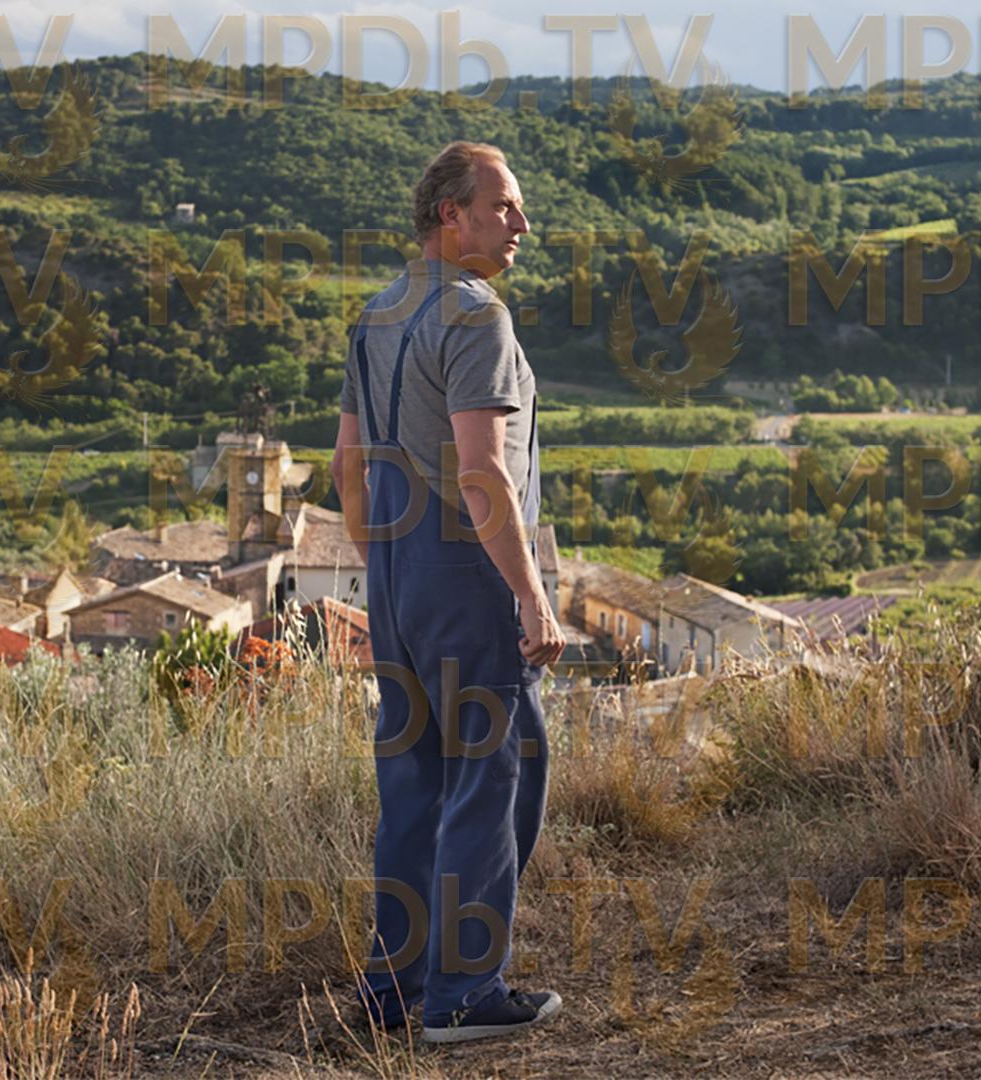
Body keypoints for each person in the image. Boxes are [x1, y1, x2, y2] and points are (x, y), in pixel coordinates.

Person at [329, 141, 566, 1045]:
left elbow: (347, 467)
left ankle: (394, 989)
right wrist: (532, 597)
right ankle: (464, 995)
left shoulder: (378, 312)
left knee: (414, 781)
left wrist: (386, 571)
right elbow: (483, 475)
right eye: (503, 206)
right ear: (450, 215)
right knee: (494, 777)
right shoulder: (476, 316)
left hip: (396, 570)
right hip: (466, 570)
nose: (521, 223)